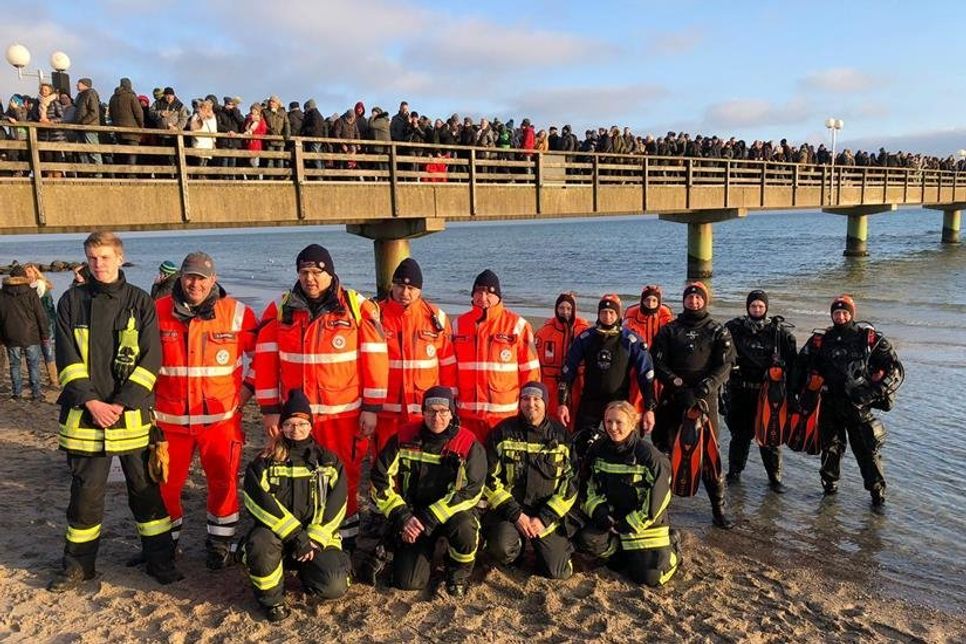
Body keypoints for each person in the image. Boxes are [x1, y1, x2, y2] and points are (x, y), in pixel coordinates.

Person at [48, 231, 181, 592]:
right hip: (86, 419)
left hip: (132, 417)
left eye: (105, 257)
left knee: (146, 493)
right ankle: (78, 567)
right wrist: (92, 401)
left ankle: (160, 561)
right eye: (92, 258)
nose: (98, 265)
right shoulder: (70, 300)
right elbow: (66, 359)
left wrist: (121, 403)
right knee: (84, 499)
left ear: (120, 258)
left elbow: (152, 359)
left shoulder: (140, 301)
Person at [254, 243, 388, 548]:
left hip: (343, 415)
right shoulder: (280, 309)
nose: (309, 278)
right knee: (296, 476)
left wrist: (372, 407)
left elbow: (376, 359)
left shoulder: (357, 308)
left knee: (346, 476)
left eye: (316, 272)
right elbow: (264, 360)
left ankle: (346, 540)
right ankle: (301, 535)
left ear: (330, 272)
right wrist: (270, 409)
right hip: (297, 421)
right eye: (304, 272)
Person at [153, 252, 258, 568]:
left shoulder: (237, 314)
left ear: (213, 280)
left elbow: (266, 356)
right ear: (180, 278)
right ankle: (165, 545)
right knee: (164, 485)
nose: (194, 283)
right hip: (169, 421)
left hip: (220, 421)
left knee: (223, 482)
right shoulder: (156, 311)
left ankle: (219, 543)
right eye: (189, 277)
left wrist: (247, 390)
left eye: (201, 278)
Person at [242, 389, 351, 622]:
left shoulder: (328, 461)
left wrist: (314, 538)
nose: (296, 429)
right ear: (281, 427)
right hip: (278, 537)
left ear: (311, 425)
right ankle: (272, 601)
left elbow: (337, 504)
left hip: (315, 540)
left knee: (334, 587)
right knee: (259, 542)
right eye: (290, 424)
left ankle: (310, 572)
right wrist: (296, 536)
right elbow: (257, 500)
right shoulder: (265, 461)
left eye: (302, 424)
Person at [370, 387, 486, 597]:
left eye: (443, 411)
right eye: (431, 411)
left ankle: (456, 573)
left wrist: (431, 516)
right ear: (423, 412)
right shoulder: (404, 437)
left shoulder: (468, 443)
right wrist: (402, 516)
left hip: (451, 514)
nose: (436, 417)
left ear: (452, 413)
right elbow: (379, 479)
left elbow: (472, 491)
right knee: (408, 583)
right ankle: (421, 551)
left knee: (466, 528)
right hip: (413, 517)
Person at [794, 295, 903, 508]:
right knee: (831, 449)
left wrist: (873, 393)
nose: (840, 316)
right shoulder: (820, 340)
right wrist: (795, 395)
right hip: (829, 405)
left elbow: (895, 369)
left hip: (858, 405)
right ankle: (829, 488)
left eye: (844, 313)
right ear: (831, 314)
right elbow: (800, 365)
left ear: (852, 314)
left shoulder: (869, 339)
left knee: (867, 451)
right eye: (836, 312)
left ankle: (877, 493)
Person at [651, 282, 736, 528]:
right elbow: (657, 362)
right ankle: (660, 507)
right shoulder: (670, 330)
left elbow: (726, 365)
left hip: (703, 400)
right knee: (664, 453)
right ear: (684, 300)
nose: (694, 302)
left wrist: (706, 386)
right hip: (672, 398)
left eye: (698, 298)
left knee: (710, 455)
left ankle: (718, 510)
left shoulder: (717, 330)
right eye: (690, 298)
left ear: (705, 301)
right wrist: (676, 384)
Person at [576, 401, 681, 587]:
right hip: (612, 518)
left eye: (619, 422)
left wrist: (631, 523)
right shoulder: (597, 450)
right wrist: (599, 512)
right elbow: (587, 487)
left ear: (633, 424)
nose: (613, 428)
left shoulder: (651, 457)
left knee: (650, 578)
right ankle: (620, 553)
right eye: (608, 422)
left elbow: (659, 499)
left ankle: (674, 551)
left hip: (643, 522)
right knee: (586, 539)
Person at [484, 382, 578, 580]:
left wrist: (544, 518)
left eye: (537, 399)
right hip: (512, 513)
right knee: (501, 548)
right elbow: (489, 480)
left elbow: (571, 482)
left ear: (546, 402)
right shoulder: (502, 432)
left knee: (557, 571)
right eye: (526, 399)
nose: (531, 404)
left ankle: (557, 549)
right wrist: (516, 515)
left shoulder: (561, 435)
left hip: (546, 515)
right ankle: (516, 553)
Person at [557, 294, 657, 458]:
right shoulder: (586, 337)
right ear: (598, 314)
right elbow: (568, 371)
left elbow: (647, 375)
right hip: (590, 401)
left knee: (620, 449)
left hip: (619, 404)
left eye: (612, 312)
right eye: (604, 312)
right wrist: (562, 403)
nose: (607, 316)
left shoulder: (630, 340)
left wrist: (649, 409)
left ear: (619, 314)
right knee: (579, 447)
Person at [376, 257, 457, 453]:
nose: (405, 293)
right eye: (400, 286)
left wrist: (450, 404)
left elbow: (447, 364)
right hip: (387, 407)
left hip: (423, 406)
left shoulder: (436, 318)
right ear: (392, 286)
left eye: (411, 288)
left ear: (420, 290)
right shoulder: (376, 315)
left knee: (422, 458)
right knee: (386, 456)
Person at [452, 269, 540, 442]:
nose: (483, 298)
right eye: (478, 292)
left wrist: (530, 407)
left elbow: (531, 372)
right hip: (467, 414)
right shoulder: (458, 325)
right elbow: (449, 368)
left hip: (504, 415)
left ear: (498, 296)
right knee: (470, 464)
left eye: (488, 293)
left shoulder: (518, 325)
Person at [723, 290, 797, 492]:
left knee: (770, 437)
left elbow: (794, 363)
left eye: (760, 306)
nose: (757, 309)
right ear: (747, 307)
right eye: (753, 306)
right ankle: (735, 473)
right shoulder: (734, 328)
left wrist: (790, 394)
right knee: (740, 435)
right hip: (740, 391)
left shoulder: (778, 333)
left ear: (766, 308)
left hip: (768, 394)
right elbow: (719, 356)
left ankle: (774, 478)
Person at [533, 292, 590, 425]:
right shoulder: (544, 332)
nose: (565, 312)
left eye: (569, 309)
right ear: (556, 309)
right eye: (561, 308)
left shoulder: (584, 331)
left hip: (577, 384)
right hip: (551, 384)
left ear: (574, 310)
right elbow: (535, 362)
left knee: (576, 420)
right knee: (552, 420)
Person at [0, 265, 49, 400]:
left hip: (10, 334)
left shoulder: (2, 294)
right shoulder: (31, 292)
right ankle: (36, 393)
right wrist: (45, 334)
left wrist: (2, 336)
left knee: (14, 365)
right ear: (24, 277)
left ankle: (17, 393)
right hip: (30, 334)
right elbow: (40, 315)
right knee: (33, 364)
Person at [623, 284, 674, 410]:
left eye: (654, 300)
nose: (650, 303)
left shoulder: (666, 317)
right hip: (637, 367)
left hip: (660, 365)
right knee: (636, 403)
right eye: (647, 300)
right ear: (642, 300)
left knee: (660, 403)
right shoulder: (631, 317)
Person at [24, 263, 58, 388]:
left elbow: (48, 309)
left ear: (35, 273)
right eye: (26, 272)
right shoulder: (26, 287)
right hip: (32, 324)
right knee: (34, 352)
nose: (28, 274)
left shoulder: (41, 286)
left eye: (30, 271)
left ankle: (53, 379)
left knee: (47, 351)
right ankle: (36, 379)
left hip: (45, 323)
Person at [73, 78, 102, 166]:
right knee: (83, 151)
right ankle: (89, 172)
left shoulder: (90, 94)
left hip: (89, 127)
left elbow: (94, 112)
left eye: (79, 83)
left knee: (93, 150)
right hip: (81, 127)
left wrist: (83, 122)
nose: (77, 85)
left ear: (85, 84)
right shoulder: (81, 96)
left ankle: (98, 173)